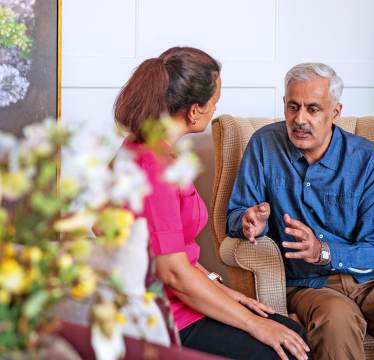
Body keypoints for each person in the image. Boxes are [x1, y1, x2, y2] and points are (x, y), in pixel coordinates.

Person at [114, 47, 310, 360]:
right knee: (285, 347)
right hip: (165, 317)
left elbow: (173, 252)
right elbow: (174, 274)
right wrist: (251, 324)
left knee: (291, 332)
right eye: (214, 102)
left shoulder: (145, 147)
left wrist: (224, 291)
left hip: (176, 298)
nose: (215, 108)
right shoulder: (155, 168)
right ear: (194, 111)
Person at [227, 62, 374, 360]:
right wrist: (248, 222)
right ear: (284, 105)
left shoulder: (371, 160)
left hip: (373, 278)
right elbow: (236, 214)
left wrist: (323, 251)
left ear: (335, 112)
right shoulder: (264, 145)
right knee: (336, 320)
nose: (300, 119)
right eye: (293, 107)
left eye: (313, 109)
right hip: (309, 284)